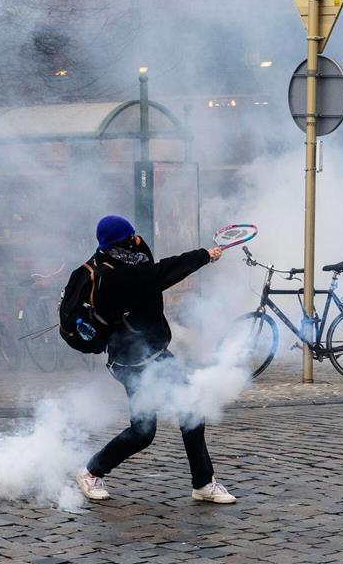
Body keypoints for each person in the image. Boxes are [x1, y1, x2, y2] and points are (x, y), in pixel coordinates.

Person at [75, 214, 236, 504]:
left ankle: (203, 483)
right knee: (143, 433)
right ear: (120, 243)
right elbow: (163, 272)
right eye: (131, 236)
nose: (137, 238)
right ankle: (91, 472)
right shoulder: (118, 275)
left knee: (190, 407)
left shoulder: (128, 258)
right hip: (131, 363)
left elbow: (152, 267)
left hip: (156, 354)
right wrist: (203, 256)